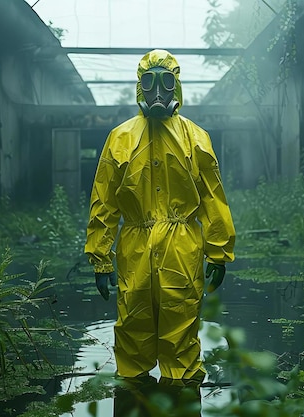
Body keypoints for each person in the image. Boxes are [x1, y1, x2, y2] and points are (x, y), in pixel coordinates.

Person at [84, 49, 235, 384]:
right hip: (135, 250)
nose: (157, 92)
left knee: (181, 334)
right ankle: (134, 396)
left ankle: (180, 395)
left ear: (176, 87)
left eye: (166, 82)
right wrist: (100, 258)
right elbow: (104, 201)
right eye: (149, 82)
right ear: (140, 86)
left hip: (181, 251)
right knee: (132, 334)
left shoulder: (196, 138)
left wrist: (219, 251)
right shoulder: (120, 138)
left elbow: (212, 197)